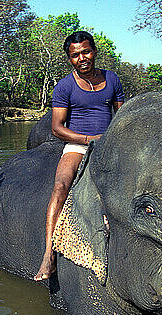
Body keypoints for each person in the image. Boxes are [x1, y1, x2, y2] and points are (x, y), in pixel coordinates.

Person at [34, 31, 124, 281]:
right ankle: (48, 253)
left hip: (108, 145)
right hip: (78, 145)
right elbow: (57, 128)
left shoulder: (112, 79)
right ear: (69, 59)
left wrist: (112, 141)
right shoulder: (65, 86)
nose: (82, 58)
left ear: (94, 51)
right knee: (60, 186)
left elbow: (122, 116)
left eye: (85, 52)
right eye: (75, 55)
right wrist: (88, 140)